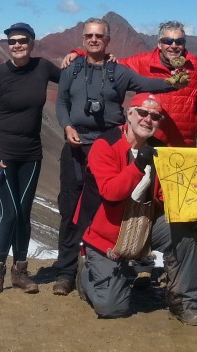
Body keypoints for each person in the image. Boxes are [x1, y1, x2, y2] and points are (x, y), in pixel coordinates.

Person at [50, 18, 175, 296]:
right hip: (76, 145)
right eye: (89, 36)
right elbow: (61, 102)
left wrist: (173, 81)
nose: (94, 40)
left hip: (110, 146)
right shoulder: (71, 68)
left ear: (108, 41)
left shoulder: (119, 72)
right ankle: (66, 272)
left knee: (109, 207)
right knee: (70, 209)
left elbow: (147, 83)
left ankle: (107, 265)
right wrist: (68, 126)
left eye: (100, 36)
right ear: (83, 39)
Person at [77, 94, 197, 325]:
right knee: (112, 308)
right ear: (129, 114)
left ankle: (183, 303)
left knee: (183, 230)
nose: (148, 119)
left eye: (155, 116)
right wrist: (138, 165)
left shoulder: (159, 150)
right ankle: (86, 274)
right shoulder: (105, 145)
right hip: (106, 232)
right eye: (143, 113)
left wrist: (188, 213)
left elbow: (164, 193)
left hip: (143, 224)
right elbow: (110, 192)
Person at [0, 22, 61, 294]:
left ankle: (21, 272)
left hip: (31, 155)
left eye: (22, 40)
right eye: (12, 41)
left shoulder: (43, 68)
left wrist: (79, 57)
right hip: (3, 155)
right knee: (10, 212)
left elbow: (70, 78)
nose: (17, 45)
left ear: (32, 42)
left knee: (24, 214)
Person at [120, 21, 197, 149]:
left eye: (179, 42)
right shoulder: (142, 62)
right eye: (168, 41)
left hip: (182, 145)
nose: (173, 46)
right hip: (147, 141)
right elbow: (112, 67)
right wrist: (85, 55)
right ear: (159, 44)